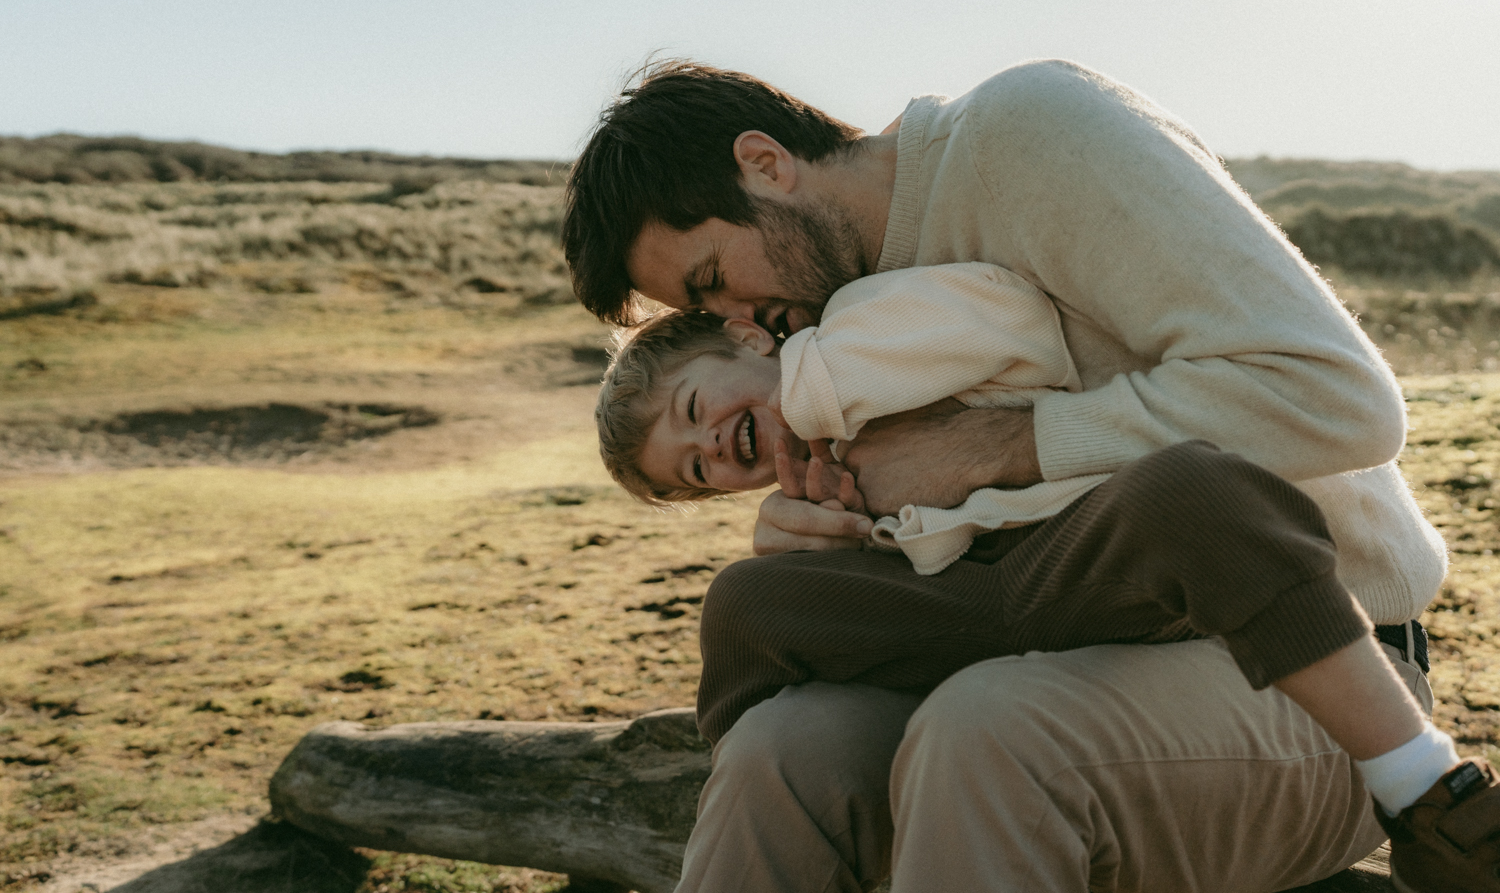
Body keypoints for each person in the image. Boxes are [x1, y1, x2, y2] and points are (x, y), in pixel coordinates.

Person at [564, 57, 1499, 892]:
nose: (735, 316)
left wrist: (995, 447)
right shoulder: (824, 319)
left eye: (712, 279)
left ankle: (1429, 797)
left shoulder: (1023, 136)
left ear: (766, 164)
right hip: (1040, 648)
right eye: (707, 312)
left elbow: (1341, 400)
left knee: (990, 728)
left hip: (1295, 666)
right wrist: (823, 540)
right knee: (781, 750)